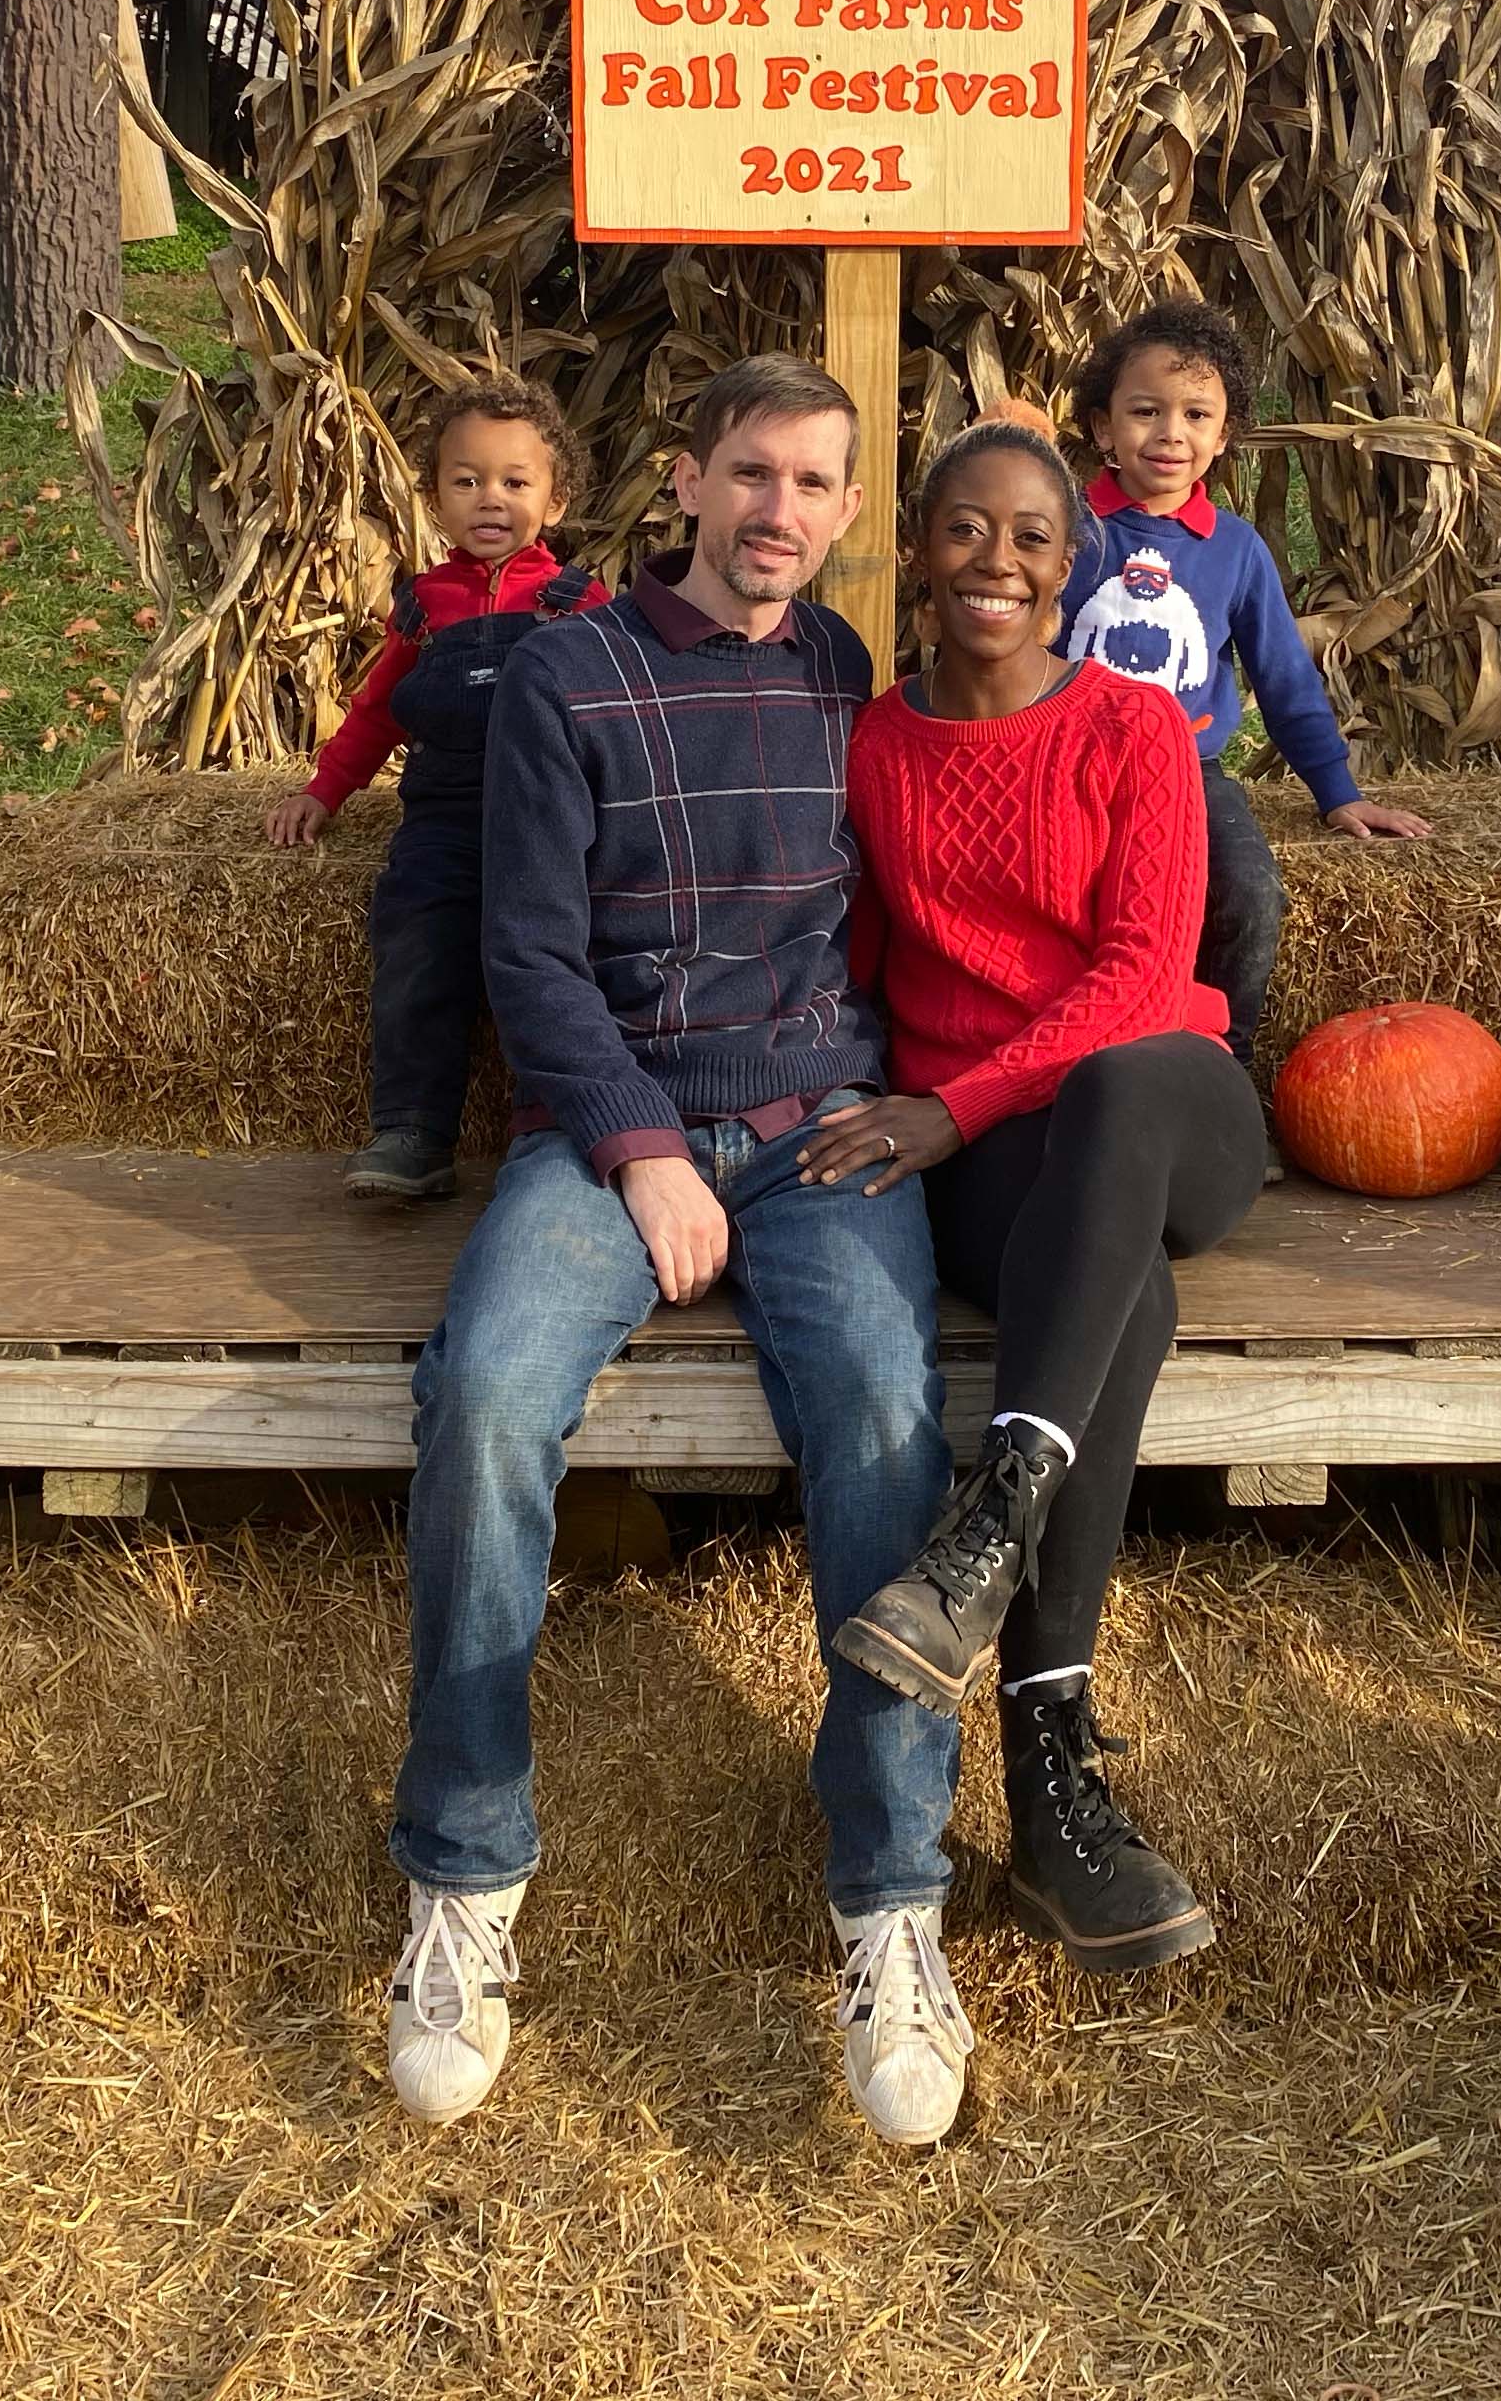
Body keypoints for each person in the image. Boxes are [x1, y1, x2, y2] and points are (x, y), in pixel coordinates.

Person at [383, 354, 976, 2149]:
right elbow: (527, 955)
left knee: (887, 1418)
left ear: (848, 512)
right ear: (685, 481)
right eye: (750, 473)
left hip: (818, 1125)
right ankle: (464, 1874)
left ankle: (893, 1903)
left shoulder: (842, 674)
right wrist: (642, 1151)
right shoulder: (567, 673)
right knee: (485, 1397)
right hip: (605, 1128)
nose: (778, 510)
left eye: (813, 483)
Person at [805, 419, 1263, 1973]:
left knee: (1123, 1083)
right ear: (917, 553)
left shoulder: (1134, 726)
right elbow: (859, 961)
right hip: (1010, 1160)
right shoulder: (878, 746)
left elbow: (1141, 976)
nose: (993, 560)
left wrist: (952, 1108)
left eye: (1028, 536)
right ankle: (1054, 1786)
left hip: (1166, 1115)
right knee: (1128, 1296)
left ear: (1071, 566)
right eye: (963, 529)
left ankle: (993, 1519)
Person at [1054, 300, 1431, 1067]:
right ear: (1102, 428)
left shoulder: (1236, 549)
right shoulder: (1063, 531)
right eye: (1145, 411)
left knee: (1251, 898)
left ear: (1223, 437)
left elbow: (1284, 677)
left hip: (1187, 772)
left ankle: (1220, 1065)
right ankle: (1073, 1062)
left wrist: (1337, 791)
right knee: (1066, 906)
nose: (1171, 433)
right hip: (1065, 767)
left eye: (1197, 415)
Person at [265, 379, 607, 1201]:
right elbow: (379, 710)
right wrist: (324, 790)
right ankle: (413, 1131)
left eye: (515, 482)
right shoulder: (423, 608)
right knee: (417, 941)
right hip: (445, 817)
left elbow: (617, 715)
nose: (491, 498)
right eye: (467, 480)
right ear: (435, 497)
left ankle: (557, 1123)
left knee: (558, 957)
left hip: (548, 820)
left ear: (555, 501)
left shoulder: (578, 605)